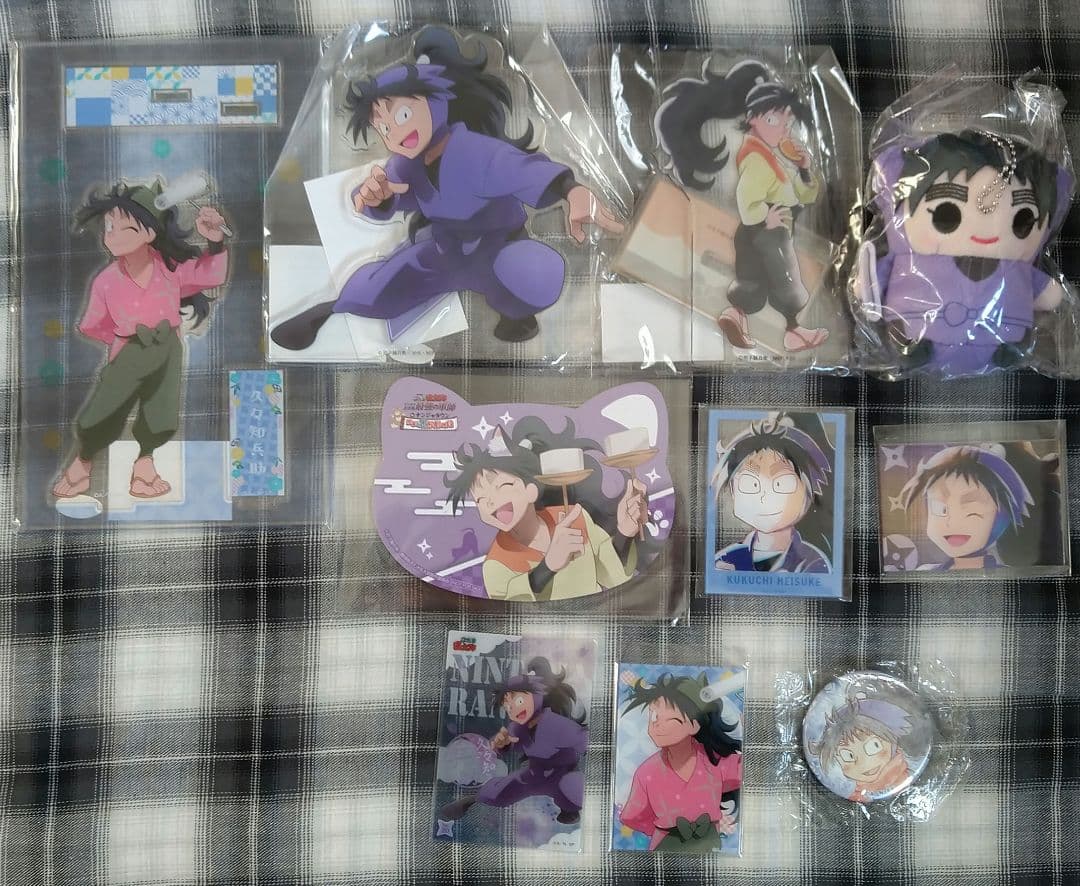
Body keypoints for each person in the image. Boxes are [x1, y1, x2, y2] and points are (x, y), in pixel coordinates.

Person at [270, 25, 622, 349]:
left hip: (499, 249)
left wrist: (570, 189)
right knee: (380, 286)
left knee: (534, 274)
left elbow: (520, 170)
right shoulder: (405, 164)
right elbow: (397, 194)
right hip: (445, 252)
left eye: (402, 115)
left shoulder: (476, 152)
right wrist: (376, 197)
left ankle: (518, 315)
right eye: (384, 128)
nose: (395, 134)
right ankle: (329, 310)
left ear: (438, 100)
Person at [51, 179, 228, 500]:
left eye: (127, 228)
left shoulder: (170, 269)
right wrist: (125, 341)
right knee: (104, 408)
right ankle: (83, 460)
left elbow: (210, 275)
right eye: (109, 227)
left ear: (150, 233)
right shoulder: (106, 281)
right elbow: (93, 325)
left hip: (168, 349)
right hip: (128, 351)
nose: (113, 235)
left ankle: (144, 464)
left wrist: (215, 241)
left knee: (161, 408)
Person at [857, 129, 1071, 375]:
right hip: (915, 333)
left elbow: (1044, 291)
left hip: (1004, 338)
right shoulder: (905, 255)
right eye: (946, 213)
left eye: (1021, 219)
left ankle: (1004, 347)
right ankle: (917, 346)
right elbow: (1049, 296)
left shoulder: (1018, 266)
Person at [655, 59, 827, 352]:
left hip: (760, 230)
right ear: (753, 119)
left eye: (787, 124)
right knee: (784, 280)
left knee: (754, 280)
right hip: (766, 230)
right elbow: (748, 201)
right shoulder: (755, 159)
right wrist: (765, 218)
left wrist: (803, 168)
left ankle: (736, 316)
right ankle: (791, 331)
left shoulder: (774, 158)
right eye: (773, 121)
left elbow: (805, 196)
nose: (783, 130)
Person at [444, 419, 648, 601]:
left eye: (502, 486)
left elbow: (614, 576)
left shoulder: (575, 517)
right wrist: (548, 565)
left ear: (531, 489)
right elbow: (510, 604)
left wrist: (624, 533)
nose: (490, 501)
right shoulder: (496, 563)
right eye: (480, 499)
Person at [440, 657, 588, 824]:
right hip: (535, 774)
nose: (514, 710)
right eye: (508, 707)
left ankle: (570, 811)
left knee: (572, 790)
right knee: (501, 791)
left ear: (538, 695)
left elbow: (583, 740)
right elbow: (509, 744)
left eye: (519, 701)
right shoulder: (517, 728)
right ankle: (471, 800)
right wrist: (501, 744)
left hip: (562, 774)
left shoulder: (557, 723)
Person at [618, 671, 742, 853]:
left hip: (710, 848)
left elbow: (746, 771)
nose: (656, 724)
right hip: (664, 848)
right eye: (654, 716)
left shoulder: (715, 761)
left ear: (694, 725)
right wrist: (664, 831)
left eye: (669, 719)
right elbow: (633, 816)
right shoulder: (647, 773)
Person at [711, 413, 832, 574]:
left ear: (808, 491)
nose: (764, 497)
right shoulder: (723, 561)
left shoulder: (814, 563)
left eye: (781, 483)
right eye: (751, 484)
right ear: (733, 489)